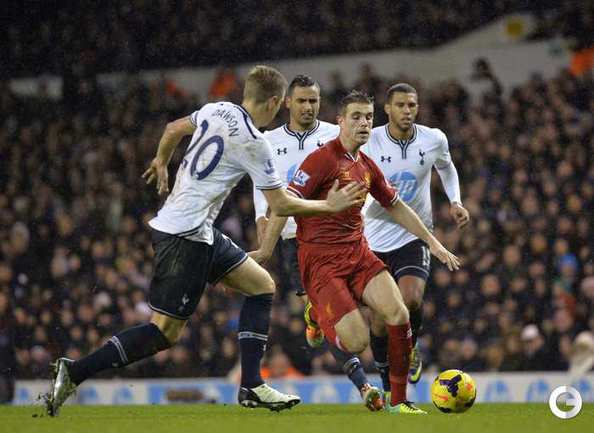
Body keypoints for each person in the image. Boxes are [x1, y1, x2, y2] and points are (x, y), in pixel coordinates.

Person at [45, 65, 365, 416]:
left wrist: (162, 160)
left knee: (261, 285)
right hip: (185, 237)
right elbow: (282, 204)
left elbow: (172, 128)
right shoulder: (255, 142)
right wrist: (329, 205)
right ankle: (75, 372)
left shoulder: (218, 109)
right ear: (275, 102)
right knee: (163, 334)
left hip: (198, 231)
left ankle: (251, 385)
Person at [253, 90, 460, 414]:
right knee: (358, 341)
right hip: (322, 263)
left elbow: (396, 205)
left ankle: (399, 401)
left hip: (359, 254)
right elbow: (283, 205)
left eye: (368, 117)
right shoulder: (321, 160)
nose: (364, 123)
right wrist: (266, 250)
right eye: (356, 117)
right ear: (340, 122)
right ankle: (319, 315)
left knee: (399, 313)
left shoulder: (365, 165)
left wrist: (432, 242)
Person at [252, 75, 382, 411]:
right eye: (302, 101)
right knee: (331, 313)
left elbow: (362, 176)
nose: (308, 107)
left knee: (346, 309)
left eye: (313, 101)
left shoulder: (336, 134)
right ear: (288, 103)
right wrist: (261, 218)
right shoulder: (269, 141)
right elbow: (261, 184)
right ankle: (363, 384)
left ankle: (319, 319)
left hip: (336, 238)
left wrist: (360, 217)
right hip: (292, 237)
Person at [361, 83, 470, 392]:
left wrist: (455, 201)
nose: (407, 111)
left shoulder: (433, 139)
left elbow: (447, 168)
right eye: (400, 105)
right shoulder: (369, 141)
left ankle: (410, 347)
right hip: (373, 239)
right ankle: (387, 384)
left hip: (414, 234)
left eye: (412, 105)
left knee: (410, 299)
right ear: (387, 109)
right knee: (379, 320)